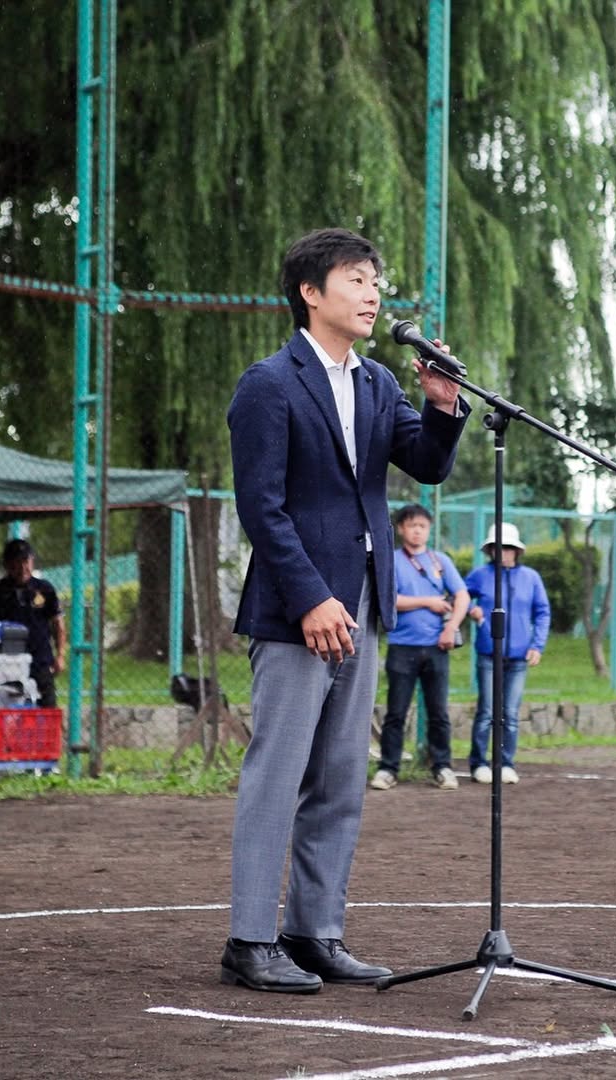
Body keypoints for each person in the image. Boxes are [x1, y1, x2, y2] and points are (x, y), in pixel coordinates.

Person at [223, 227, 469, 993]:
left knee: (339, 776)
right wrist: (311, 597)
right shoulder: (268, 384)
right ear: (310, 292)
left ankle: (314, 933)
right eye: (357, 279)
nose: (373, 294)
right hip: (297, 611)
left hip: (362, 605)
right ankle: (249, 941)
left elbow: (425, 464)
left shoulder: (378, 385)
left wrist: (442, 406)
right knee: (278, 774)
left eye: (376, 281)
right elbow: (262, 509)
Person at [369, 504, 470, 792]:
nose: (417, 531)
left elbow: (462, 595)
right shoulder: (392, 560)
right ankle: (388, 768)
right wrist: (428, 601)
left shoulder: (440, 561)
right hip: (402, 647)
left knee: (439, 712)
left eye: (422, 526)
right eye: (411, 525)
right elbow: (388, 599)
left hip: (437, 648)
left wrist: (451, 627)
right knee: (396, 712)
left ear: (429, 529)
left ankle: (442, 767)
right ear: (401, 529)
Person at [465, 523, 550, 785]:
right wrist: (471, 610)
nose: (503, 552)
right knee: (487, 711)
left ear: (517, 551)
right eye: (497, 547)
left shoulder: (531, 578)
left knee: (510, 713)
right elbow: (459, 596)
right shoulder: (480, 575)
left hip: (519, 657)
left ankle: (505, 763)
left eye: (508, 547)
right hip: (488, 654)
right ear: (491, 550)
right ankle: (479, 763)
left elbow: (542, 612)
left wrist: (537, 645)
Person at [0, 539, 66, 708]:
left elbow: (58, 623)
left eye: (25, 561)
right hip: (8, 666)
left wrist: (60, 655)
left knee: (47, 710)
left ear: (32, 561)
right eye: (16, 563)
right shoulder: (0, 591)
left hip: (40, 662)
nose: (22, 568)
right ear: (7, 565)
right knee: (9, 713)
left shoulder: (44, 589)